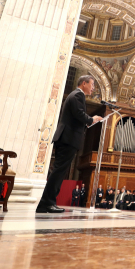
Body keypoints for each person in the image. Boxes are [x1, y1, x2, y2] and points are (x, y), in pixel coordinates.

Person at [36, 75, 102, 213]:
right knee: (59, 172)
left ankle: (46, 203)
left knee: (59, 171)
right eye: (92, 84)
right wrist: (91, 119)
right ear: (84, 83)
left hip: (66, 137)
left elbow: (75, 117)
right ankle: (47, 203)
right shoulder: (78, 95)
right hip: (68, 138)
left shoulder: (74, 94)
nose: (93, 88)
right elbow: (79, 114)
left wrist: (88, 121)